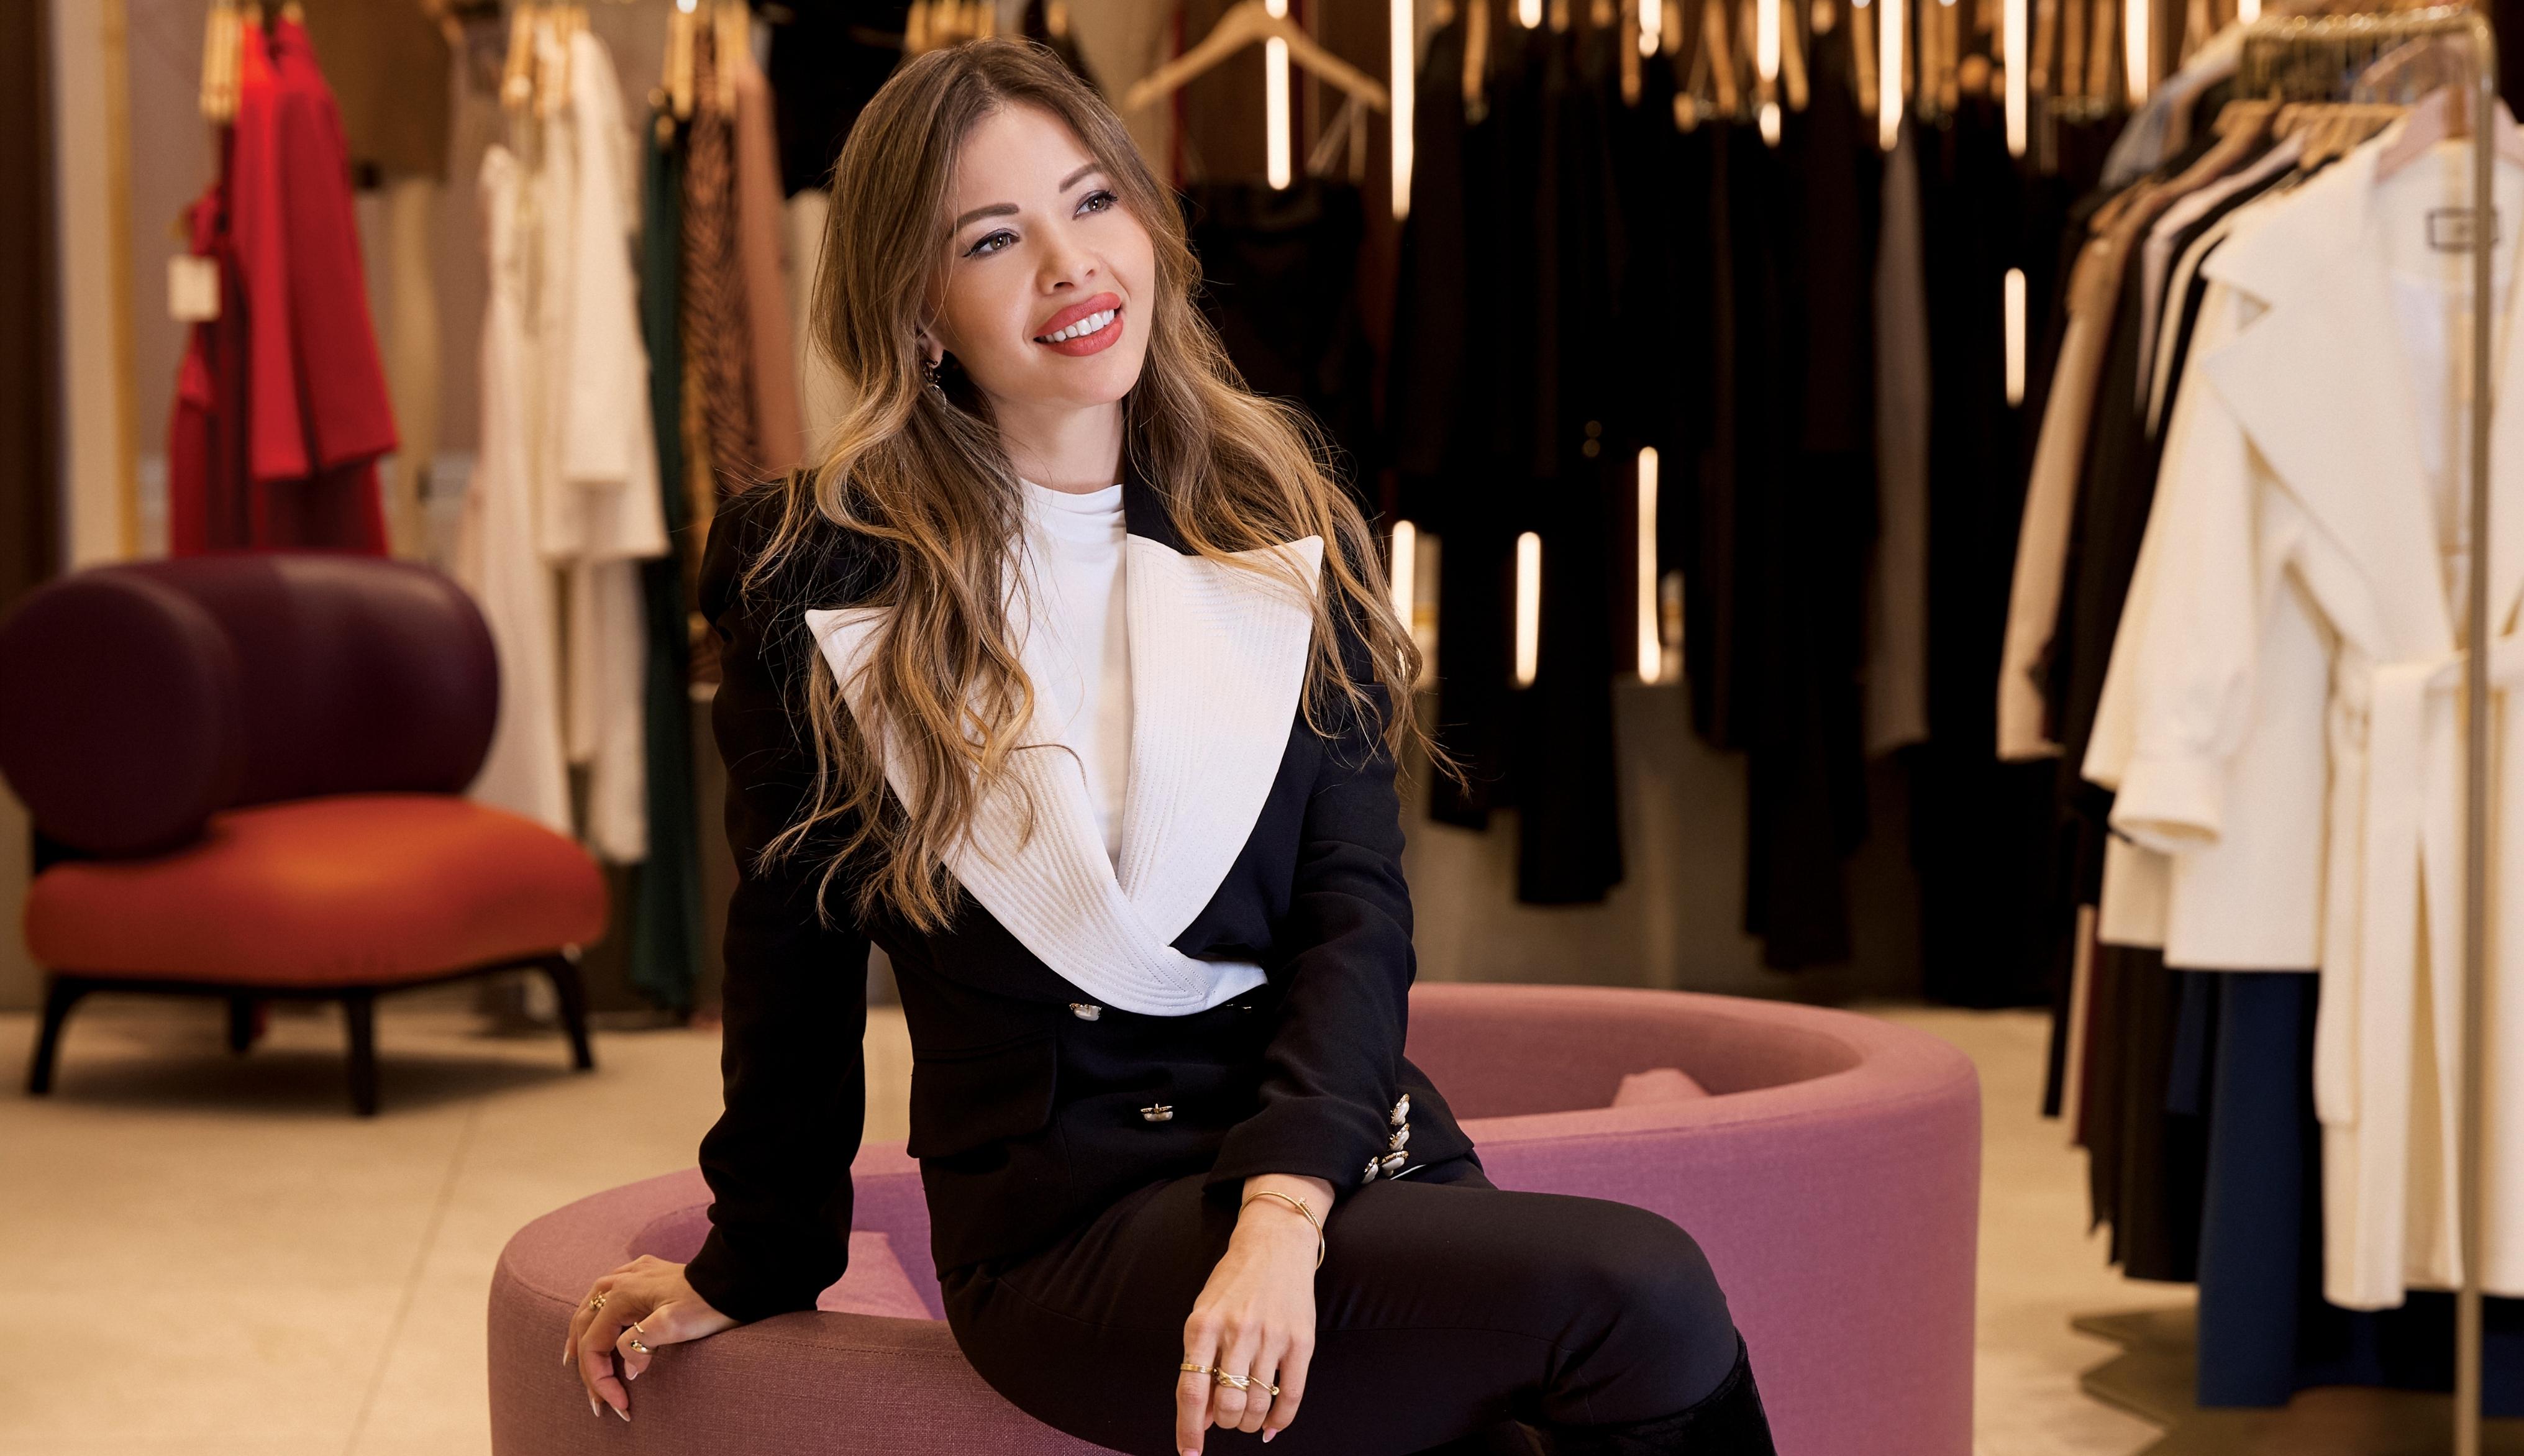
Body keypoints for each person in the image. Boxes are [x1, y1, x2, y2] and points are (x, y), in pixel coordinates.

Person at [559, 36, 1774, 1456]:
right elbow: (792, 956)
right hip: (1072, 1228)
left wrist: (1282, 1214)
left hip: (1331, 1157)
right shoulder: (817, 567)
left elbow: (1354, 914)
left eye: (1092, 201)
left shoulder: (1280, 519)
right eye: (993, 237)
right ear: (917, 308)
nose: (1069, 265)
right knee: (1647, 1292)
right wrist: (751, 1255)